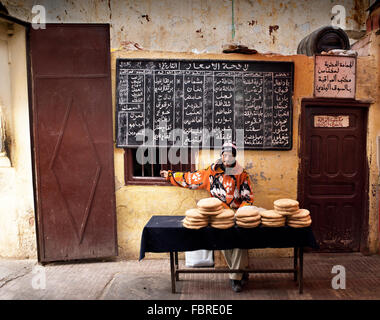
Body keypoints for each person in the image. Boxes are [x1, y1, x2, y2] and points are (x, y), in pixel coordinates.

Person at [160, 142, 254, 292]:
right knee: (225, 243)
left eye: (230, 155)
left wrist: (240, 214)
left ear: (234, 157)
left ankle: (235, 278)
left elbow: (248, 199)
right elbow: (191, 179)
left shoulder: (242, 174)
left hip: (237, 216)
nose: (227, 158)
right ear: (221, 155)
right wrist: (170, 176)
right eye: (225, 155)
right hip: (217, 216)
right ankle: (240, 274)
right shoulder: (211, 172)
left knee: (239, 242)